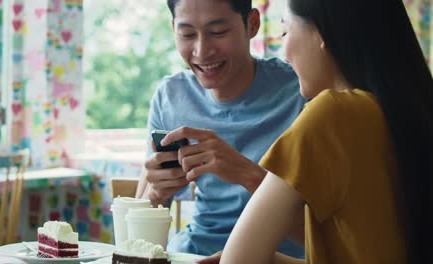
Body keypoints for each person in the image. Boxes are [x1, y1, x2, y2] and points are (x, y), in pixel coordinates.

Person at [164, 0, 431, 263]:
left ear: (321, 33)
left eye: (285, 32)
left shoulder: (332, 114)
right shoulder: (400, 111)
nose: (285, 54)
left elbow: (236, 260)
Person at [135, 0, 307, 257]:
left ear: (252, 24)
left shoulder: (302, 92)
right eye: (187, 34)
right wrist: (157, 194)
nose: (202, 52)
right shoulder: (171, 96)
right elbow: (135, 242)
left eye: (218, 32)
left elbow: (331, 236)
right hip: (192, 254)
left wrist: (246, 174)